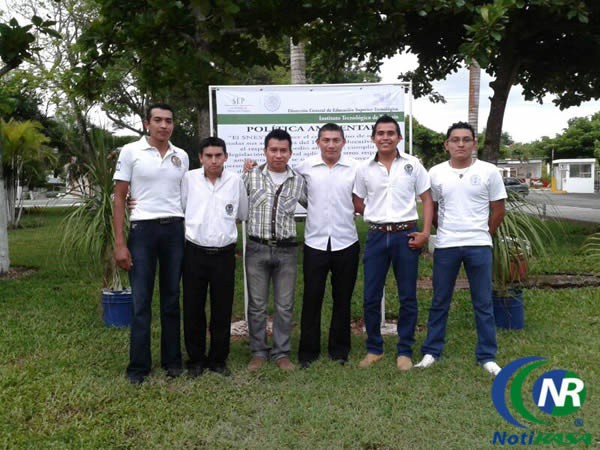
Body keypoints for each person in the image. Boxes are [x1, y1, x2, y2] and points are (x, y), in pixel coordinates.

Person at [415, 121, 507, 376]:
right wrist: (443, 228)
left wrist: (483, 233)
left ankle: (487, 356)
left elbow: (498, 210)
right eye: (455, 140)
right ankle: (432, 351)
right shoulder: (435, 173)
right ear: (447, 145)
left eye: (466, 139)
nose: (461, 144)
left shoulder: (489, 172)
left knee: (483, 302)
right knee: (440, 300)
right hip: (446, 245)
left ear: (474, 144)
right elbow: (430, 208)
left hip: (479, 245)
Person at [113, 103, 189, 384]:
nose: (163, 125)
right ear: (147, 124)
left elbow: (185, 195)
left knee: (171, 299)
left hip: (174, 230)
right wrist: (120, 243)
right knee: (141, 301)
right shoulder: (131, 151)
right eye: (157, 120)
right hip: (143, 230)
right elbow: (119, 197)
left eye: (168, 120)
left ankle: (172, 361)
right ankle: (138, 366)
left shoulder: (181, 155)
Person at [353, 115, 433, 371]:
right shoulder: (364, 168)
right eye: (380, 133)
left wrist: (425, 233)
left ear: (399, 137)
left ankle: (404, 351)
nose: (385, 137)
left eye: (390, 133)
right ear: (373, 138)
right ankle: (374, 348)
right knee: (371, 296)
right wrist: (374, 215)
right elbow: (357, 200)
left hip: (405, 235)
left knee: (407, 295)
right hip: (377, 236)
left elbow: (427, 199)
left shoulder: (413, 165)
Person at [181, 137, 248, 378]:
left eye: (218, 155)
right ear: (200, 158)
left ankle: (219, 359)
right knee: (193, 307)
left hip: (223, 254)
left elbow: (241, 213)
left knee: (222, 307)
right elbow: (182, 207)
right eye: (208, 156)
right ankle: (196, 359)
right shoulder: (189, 179)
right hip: (194, 252)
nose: (213, 160)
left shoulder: (235, 181)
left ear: (226, 157)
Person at [295, 123, 360, 368]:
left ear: (343, 142)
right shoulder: (305, 168)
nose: (331, 144)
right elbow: (296, 191)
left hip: (347, 242)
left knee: (342, 299)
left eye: (335, 140)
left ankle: (339, 350)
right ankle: (308, 353)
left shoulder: (356, 168)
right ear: (318, 142)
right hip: (315, 243)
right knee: (312, 298)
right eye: (326, 140)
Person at [243, 129, 306, 372]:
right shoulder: (251, 176)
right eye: (273, 150)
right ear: (265, 151)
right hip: (257, 248)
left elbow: (317, 204)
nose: (278, 155)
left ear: (290, 153)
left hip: (287, 251)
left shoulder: (298, 181)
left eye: (283, 150)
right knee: (257, 305)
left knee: (284, 305)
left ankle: (281, 352)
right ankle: (258, 351)